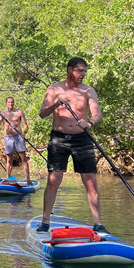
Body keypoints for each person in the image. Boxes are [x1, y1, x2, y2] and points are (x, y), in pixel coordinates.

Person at [37, 57, 106, 234]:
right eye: (79, 71)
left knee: (90, 181)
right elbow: (42, 114)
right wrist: (54, 105)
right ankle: (45, 221)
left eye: (85, 71)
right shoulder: (54, 88)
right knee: (54, 179)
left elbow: (97, 113)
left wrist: (90, 122)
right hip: (58, 138)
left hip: (82, 139)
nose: (83, 74)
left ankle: (98, 223)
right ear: (70, 70)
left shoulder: (88, 91)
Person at [0, 96, 31, 184]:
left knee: (23, 158)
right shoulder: (3, 113)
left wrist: (24, 133)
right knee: (9, 160)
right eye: (9, 102)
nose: (11, 104)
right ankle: (8, 179)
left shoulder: (19, 112)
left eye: (12, 102)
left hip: (18, 137)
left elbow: (26, 126)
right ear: (6, 103)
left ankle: (28, 179)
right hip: (8, 138)